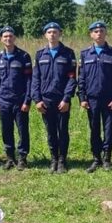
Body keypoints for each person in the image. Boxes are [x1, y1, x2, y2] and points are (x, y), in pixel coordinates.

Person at [32, 22, 77, 173]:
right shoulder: (40, 54)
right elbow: (35, 79)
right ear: (45, 35)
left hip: (62, 100)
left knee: (62, 131)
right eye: (49, 32)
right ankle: (54, 159)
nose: (52, 34)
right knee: (50, 132)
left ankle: (62, 160)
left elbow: (72, 78)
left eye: (55, 32)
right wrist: (37, 100)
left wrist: (66, 98)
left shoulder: (68, 53)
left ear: (60, 34)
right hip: (45, 100)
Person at [78, 20, 112, 172]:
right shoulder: (85, 54)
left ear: (106, 33)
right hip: (92, 100)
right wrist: (82, 98)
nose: (99, 34)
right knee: (94, 130)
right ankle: (96, 158)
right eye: (95, 32)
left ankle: (107, 158)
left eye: (102, 31)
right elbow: (81, 78)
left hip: (109, 99)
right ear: (91, 34)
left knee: (108, 130)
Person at [0, 26, 33, 170]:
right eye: (5, 36)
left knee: (22, 130)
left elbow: (29, 80)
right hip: (3, 100)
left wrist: (27, 100)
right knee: (6, 130)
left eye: (10, 36)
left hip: (20, 101)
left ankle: (22, 158)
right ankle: (10, 158)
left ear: (14, 38)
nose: (8, 39)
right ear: (1, 39)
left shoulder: (24, 56)